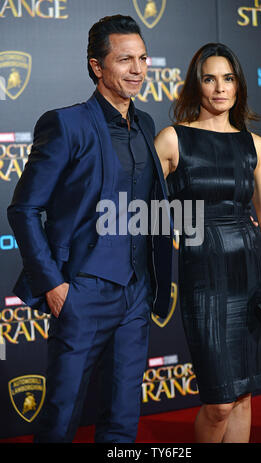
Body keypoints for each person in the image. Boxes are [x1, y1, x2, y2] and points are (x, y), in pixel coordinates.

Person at [7, 15, 172, 443]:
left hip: (135, 294)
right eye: (124, 60)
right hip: (82, 291)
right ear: (98, 67)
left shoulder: (148, 124)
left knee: (122, 418)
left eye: (142, 58)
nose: (137, 69)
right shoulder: (66, 124)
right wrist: (54, 286)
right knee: (60, 418)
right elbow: (24, 209)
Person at [154, 42, 261, 443]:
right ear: (195, 86)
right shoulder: (172, 140)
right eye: (209, 78)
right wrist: (182, 231)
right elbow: (140, 210)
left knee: (244, 397)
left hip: (249, 273)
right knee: (219, 402)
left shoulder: (254, 145)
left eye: (228, 78)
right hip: (203, 276)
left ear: (238, 86)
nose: (220, 88)